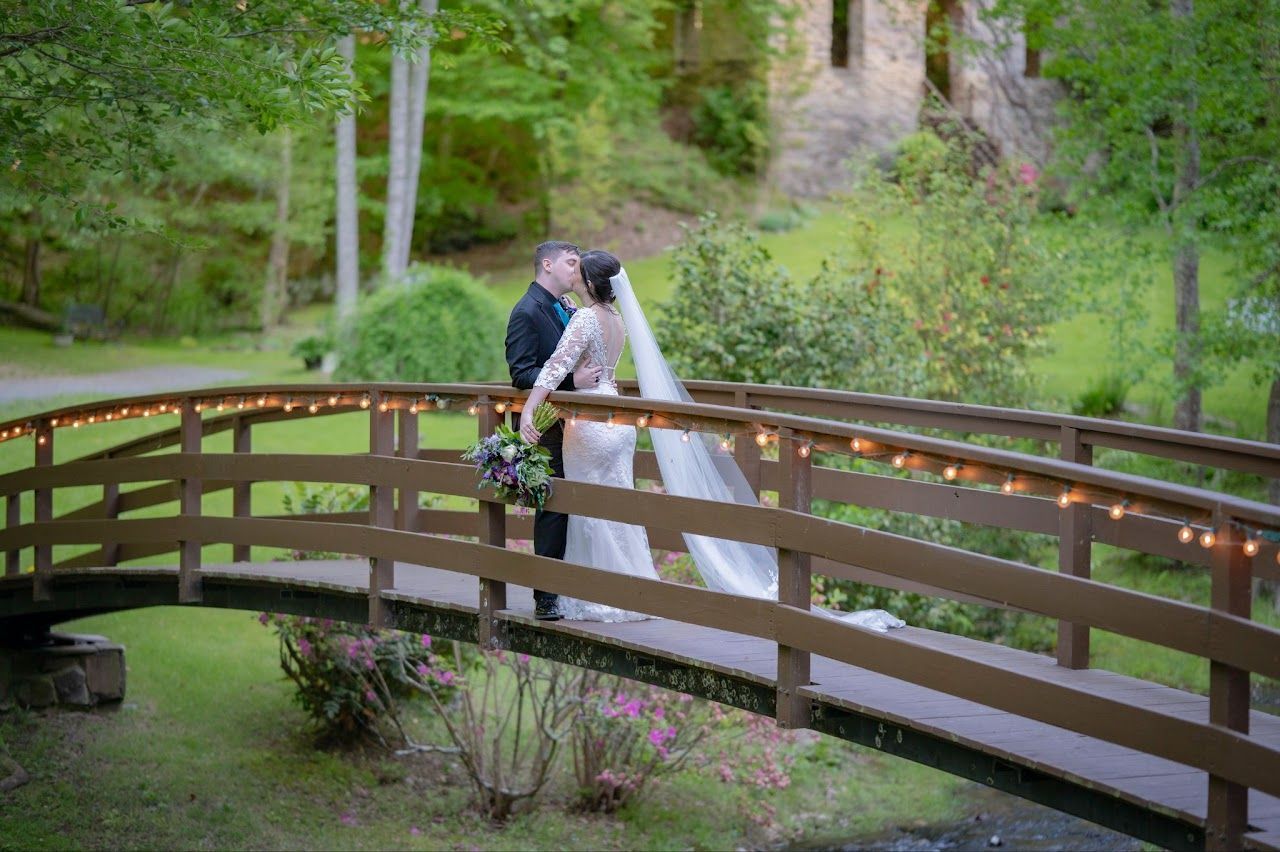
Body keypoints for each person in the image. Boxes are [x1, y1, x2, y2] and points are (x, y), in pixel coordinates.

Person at [519, 250, 657, 622]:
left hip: (589, 424)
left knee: (585, 508)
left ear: (592, 284)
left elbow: (553, 368)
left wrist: (529, 409)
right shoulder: (616, 319)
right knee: (615, 505)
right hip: (615, 416)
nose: (573, 275)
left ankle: (595, 594)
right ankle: (631, 591)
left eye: (579, 271)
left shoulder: (584, 319)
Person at [505, 241, 604, 621]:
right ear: (547, 264)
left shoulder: (565, 308)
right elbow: (521, 373)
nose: (576, 271)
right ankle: (546, 597)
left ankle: (576, 588)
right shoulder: (526, 311)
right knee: (553, 507)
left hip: (575, 428)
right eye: (570, 263)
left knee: (573, 503)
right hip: (545, 429)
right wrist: (572, 381)